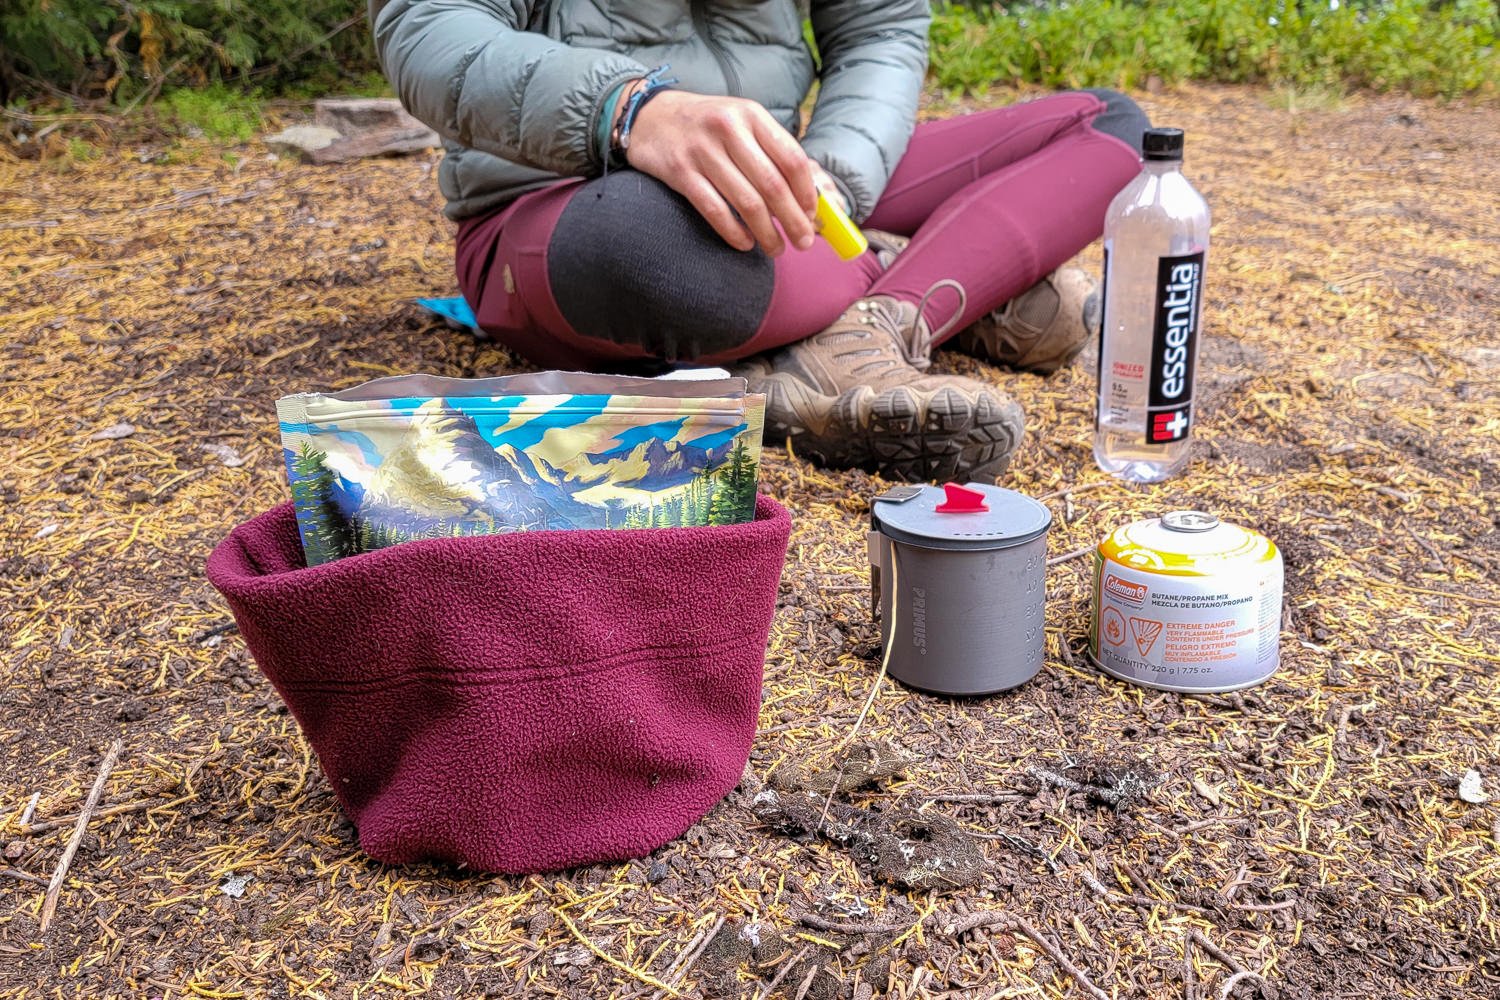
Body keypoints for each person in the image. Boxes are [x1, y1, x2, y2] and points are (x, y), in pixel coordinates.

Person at [370, 0, 1149, 482]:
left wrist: (838, 178)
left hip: (783, 170)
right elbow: (431, 30)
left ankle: (871, 325)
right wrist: (630, 111)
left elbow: (881, 28)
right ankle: (950, 271)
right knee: (653, 257)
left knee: (1112, 130)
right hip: (563, 194)